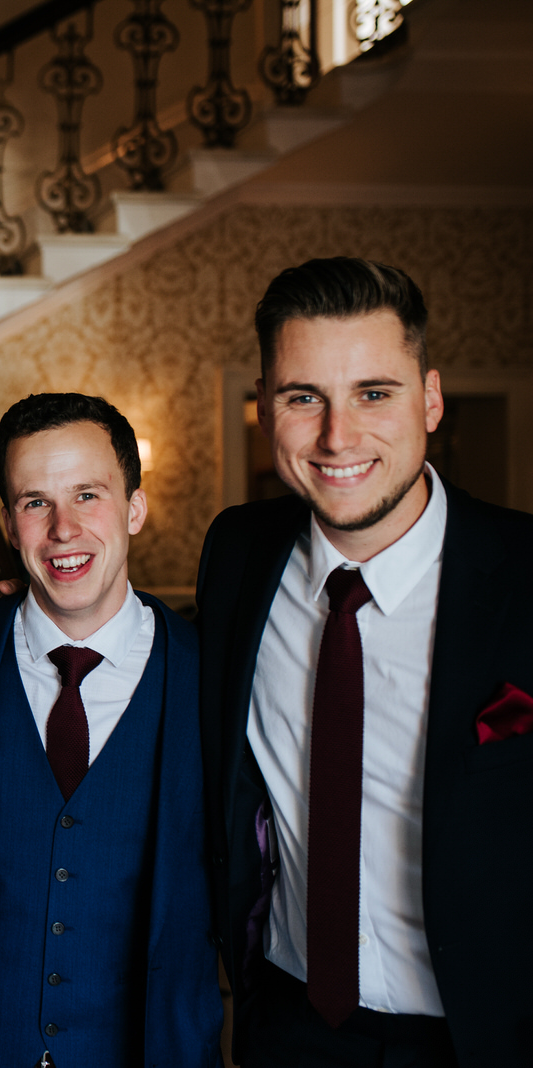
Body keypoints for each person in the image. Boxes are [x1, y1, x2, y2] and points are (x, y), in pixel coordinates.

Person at [196, 258, 533, 1067]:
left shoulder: (524, 575)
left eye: (373, 393)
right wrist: (8, 603)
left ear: (432, 399)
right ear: (265, 407)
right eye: (302, 397)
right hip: (288, 1025)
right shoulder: (237, 553)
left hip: (485, 1036)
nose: (337, 436)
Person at [0, 393, 220, 1068]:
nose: (63, 529)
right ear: (8, 522)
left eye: (88, 495)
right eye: (35, 502)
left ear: (134, 508)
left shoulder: (215, 677)